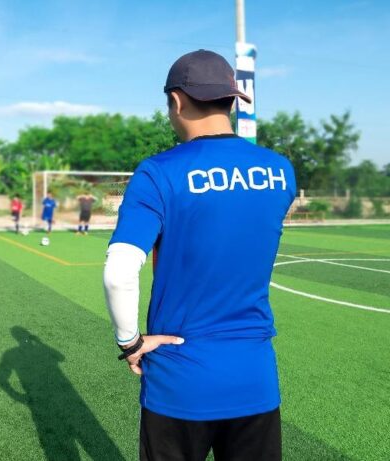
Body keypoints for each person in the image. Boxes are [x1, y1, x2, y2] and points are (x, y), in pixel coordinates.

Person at [103, 50, 295, 461]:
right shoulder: (280, 171)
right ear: (232, 101)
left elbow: (119, 272)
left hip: (179, 381)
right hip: (254, 377)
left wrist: (129, 342)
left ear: (176, 101)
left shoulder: (157, 172)